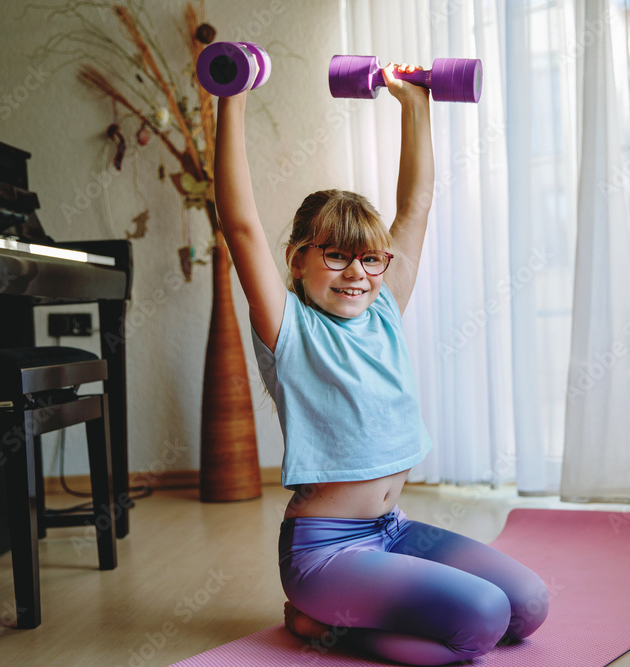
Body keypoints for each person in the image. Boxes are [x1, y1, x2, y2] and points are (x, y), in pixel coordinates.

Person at [214, 62, 549, 666]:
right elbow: (238, 226)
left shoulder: (385, 309)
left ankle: (350, 617)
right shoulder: (290, 328)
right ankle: (317, 625)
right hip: (328, 555)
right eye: (337, 256)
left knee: (528, 605)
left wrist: (413, 103)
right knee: (481, 622)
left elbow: (415, 206)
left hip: (391, 531)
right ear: (297, 260)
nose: (358, 274)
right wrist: (230, 98)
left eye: (371, 260)